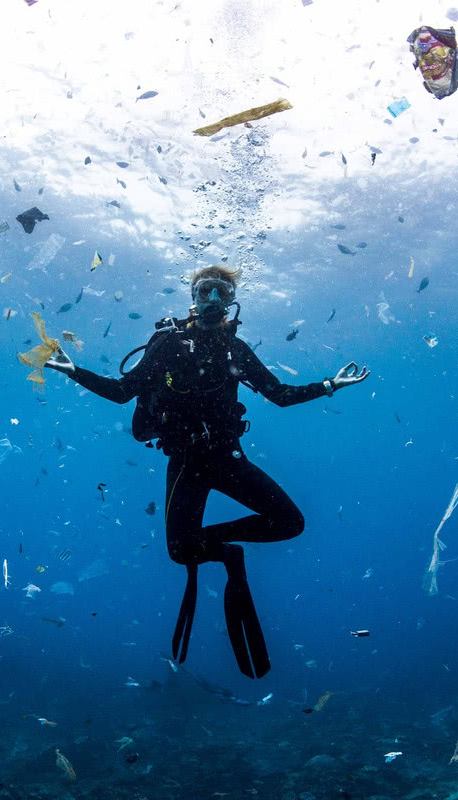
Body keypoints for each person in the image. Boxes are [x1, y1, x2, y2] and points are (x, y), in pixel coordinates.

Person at [46, 266, 369, 678]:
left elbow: (280, 395)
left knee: (290, 522)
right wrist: (76, 372)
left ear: (232, 298)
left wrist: (328, 385)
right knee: (180, 552)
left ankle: (216, 541)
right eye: (205, 290)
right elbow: (122, 392)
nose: (214, 299)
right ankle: (227, 553)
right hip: (186, 461)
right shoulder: (167, 344)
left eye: (223, 291)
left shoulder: (236, 350)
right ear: (193, 297)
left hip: (227, 458)